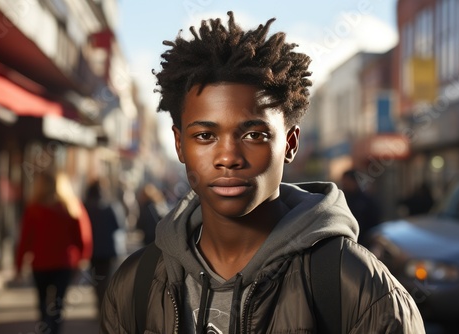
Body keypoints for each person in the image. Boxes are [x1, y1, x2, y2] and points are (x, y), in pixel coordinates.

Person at [100, 12, 425, 333]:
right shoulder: (134, 286)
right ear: (179, 144)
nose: (228, 157)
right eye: (205, 136)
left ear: (290, 143)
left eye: (254, 135)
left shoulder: (360, 291)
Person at [15, 171, 92, 334]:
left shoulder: (34, 208)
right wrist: (83, 257)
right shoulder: (71, 206)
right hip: (64, 263)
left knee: (43, 301)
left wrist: (19, 264)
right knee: (58, 303)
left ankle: (45, 327)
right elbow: (83, 236)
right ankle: (55, 330)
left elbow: (25, 239)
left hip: (40, 263)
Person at [84, 177, 127, 312]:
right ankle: (104, 305)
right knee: (107, 278)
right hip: (109, 249)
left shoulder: (85, 207)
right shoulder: (112, 206)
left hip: (93, 250)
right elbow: (119, 225)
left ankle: (100, 304)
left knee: (96, 279)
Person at [340, 169, 382, 245]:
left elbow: (374, 221)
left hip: (363, 242)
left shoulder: (366, 201)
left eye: (347, 181)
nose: (344, 184)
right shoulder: (341, 200)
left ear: (354, 182)